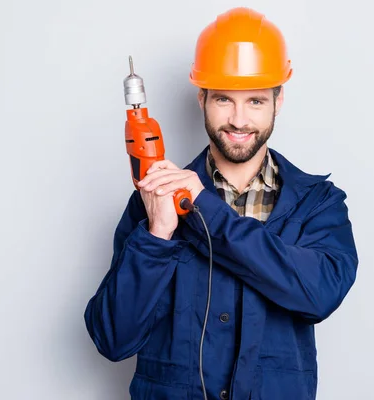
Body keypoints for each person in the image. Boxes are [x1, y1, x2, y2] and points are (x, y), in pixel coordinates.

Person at [84, 6, 358, 400]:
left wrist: (204, 208)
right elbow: (113, 338)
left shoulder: (317, 206)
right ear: (201, 99)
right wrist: (158, 237)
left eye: (256, 102)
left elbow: (318, 296)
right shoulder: (153, 203)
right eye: (224, 100)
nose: (239, 120)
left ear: (279, 101)